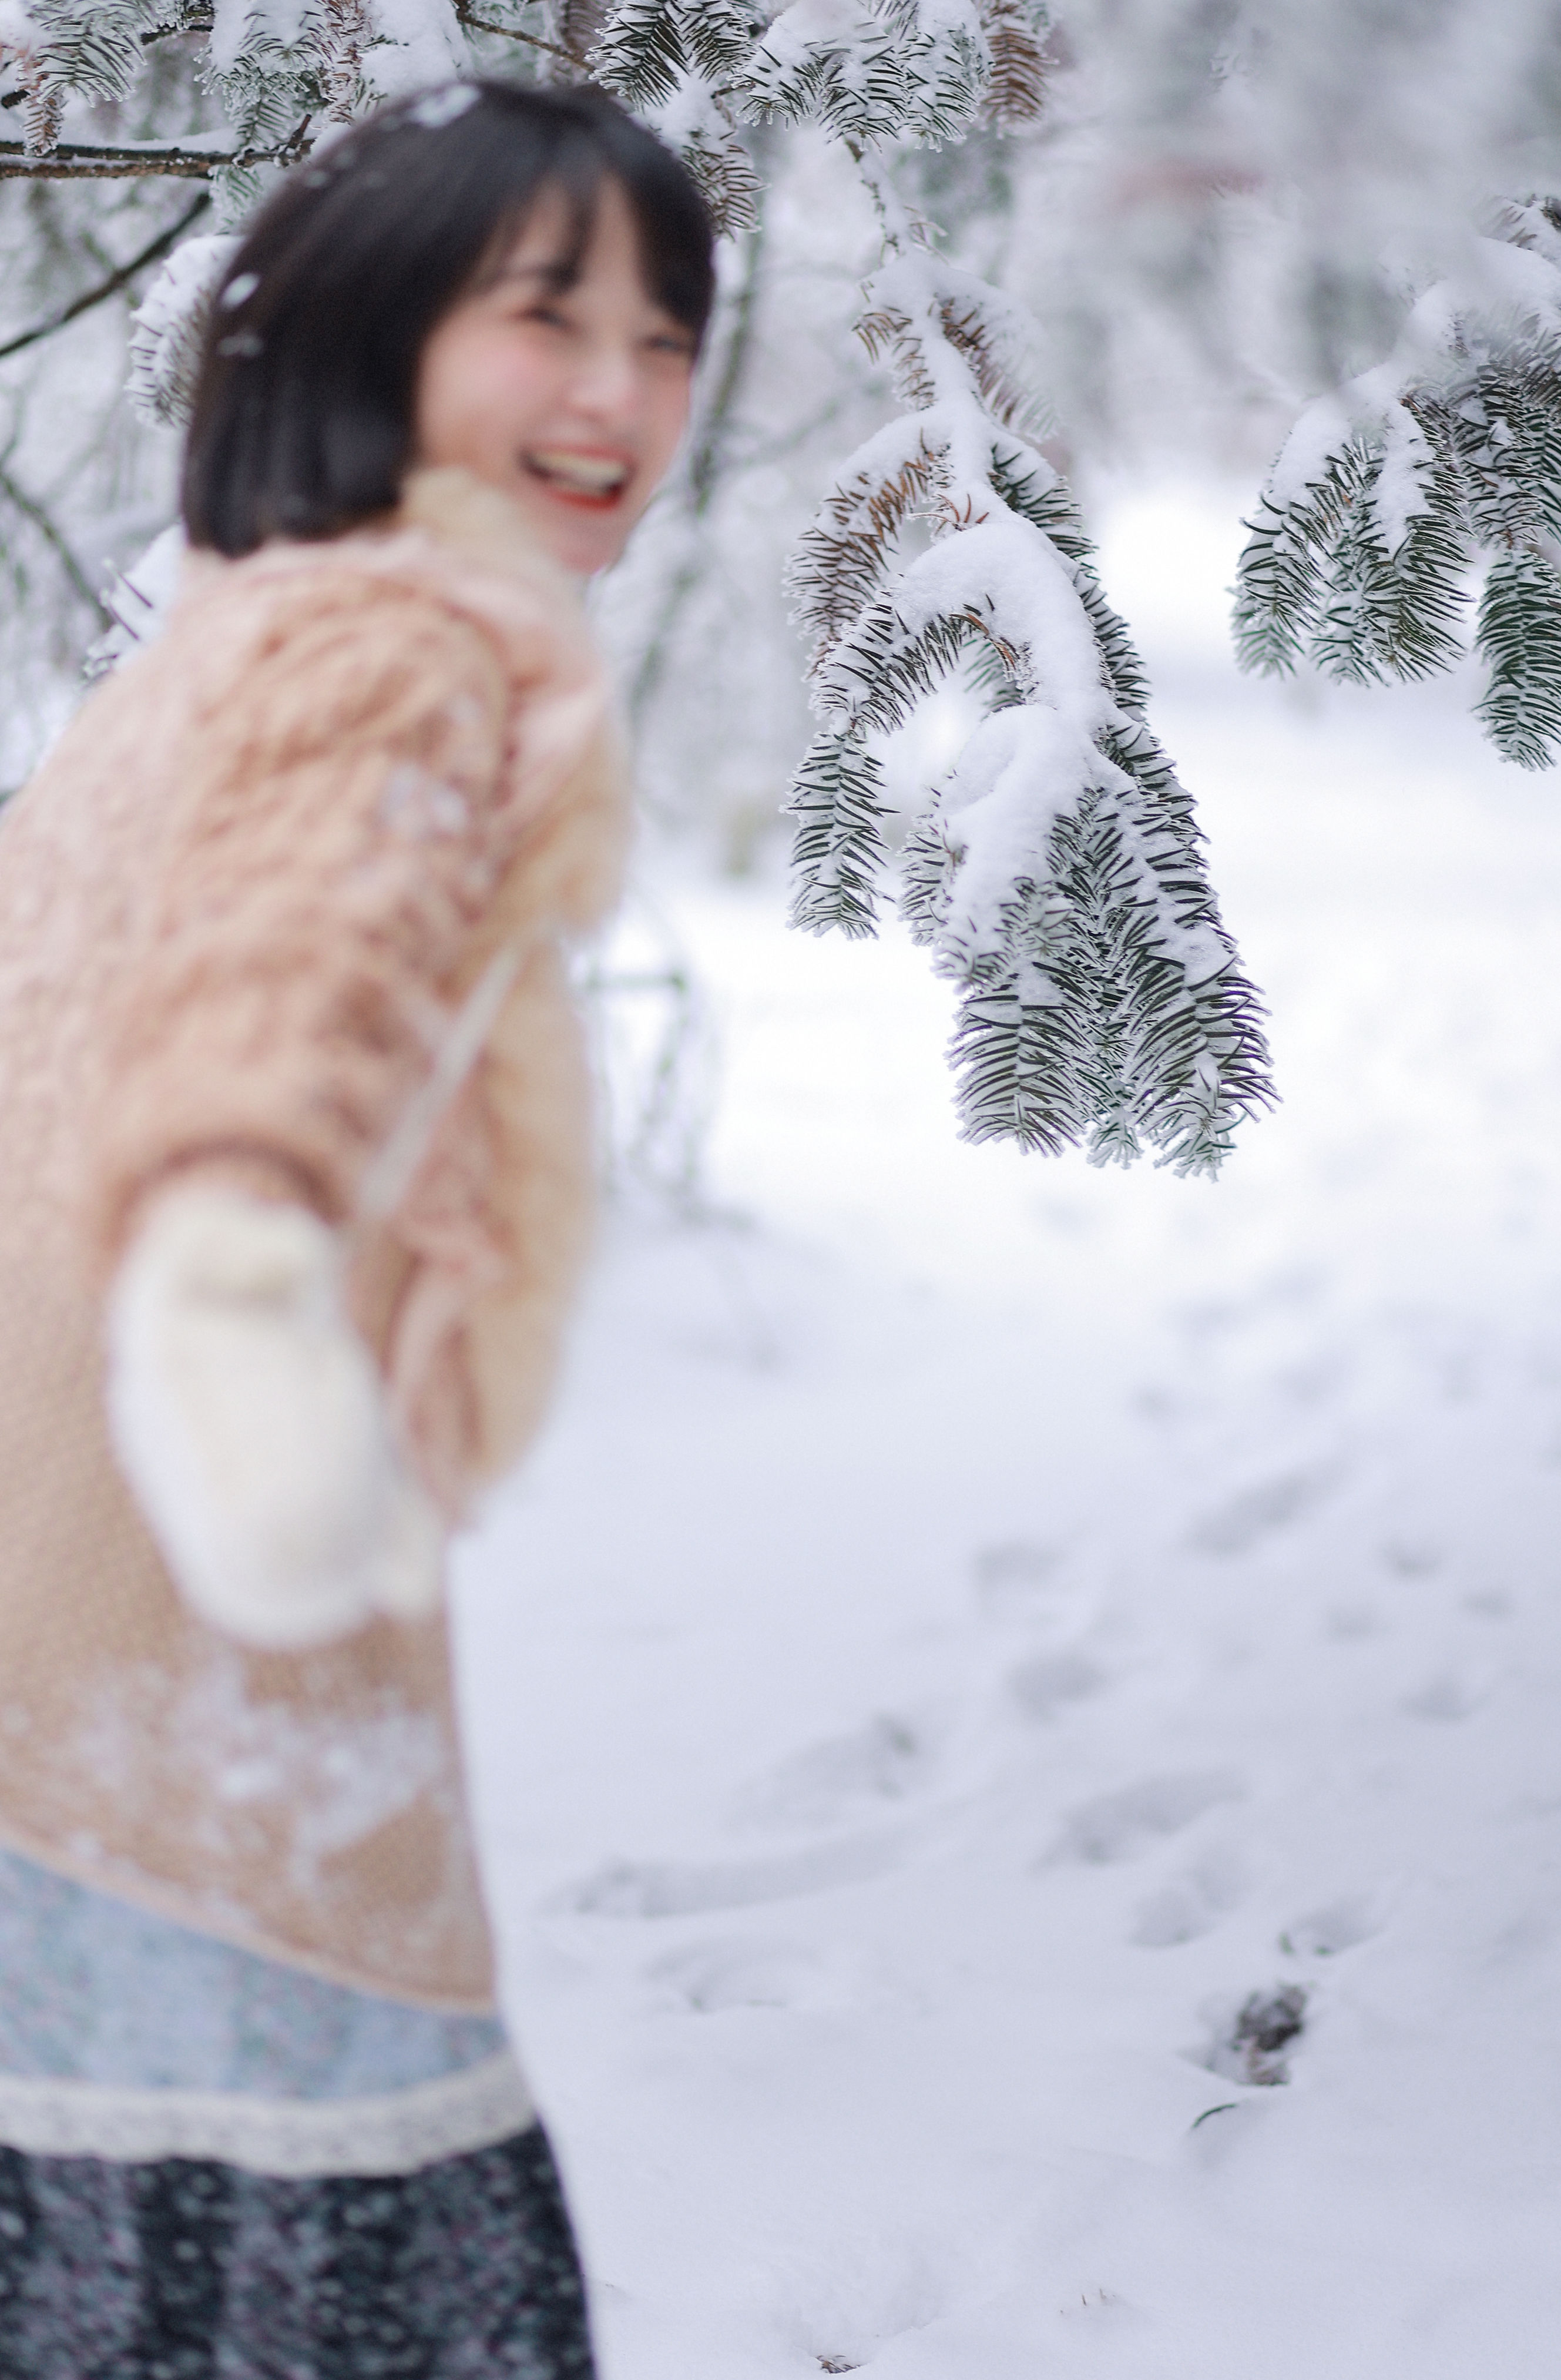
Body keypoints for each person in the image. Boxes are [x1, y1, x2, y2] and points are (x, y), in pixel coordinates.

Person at [0, 79, 711, 2377]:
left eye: (673, 331)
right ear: (374, 329)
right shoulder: (415, 642)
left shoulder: (221, 640)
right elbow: (277, 1015)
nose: (623, 390)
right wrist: (239, 1271)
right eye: (549, 315)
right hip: (193, 1666)